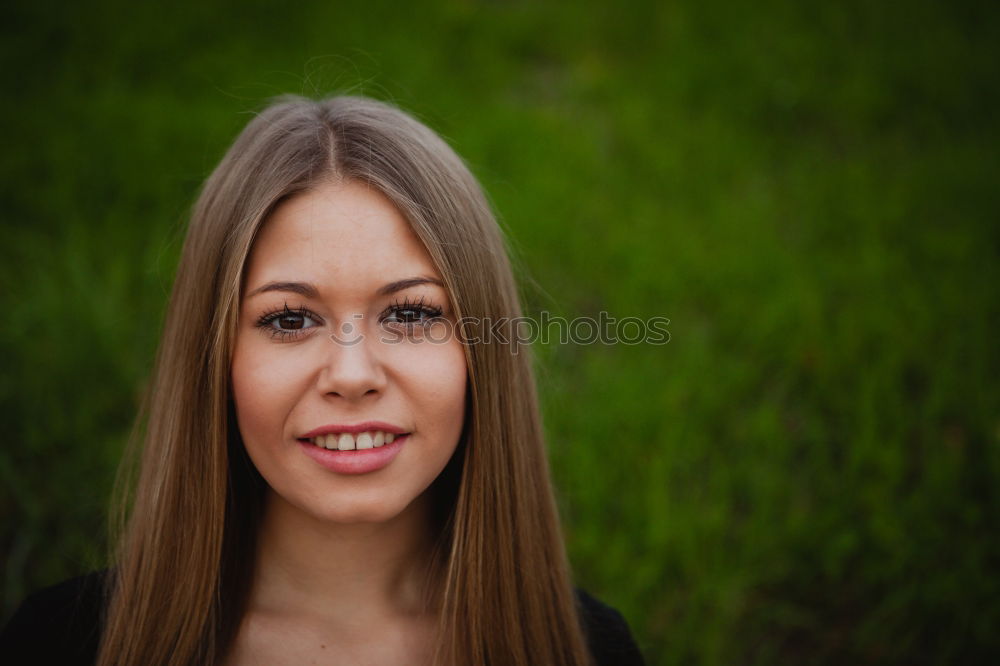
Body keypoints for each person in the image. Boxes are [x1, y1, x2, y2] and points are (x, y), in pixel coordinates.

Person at [0, 95, 643, 665]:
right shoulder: (60, 643)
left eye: (411, 313)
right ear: (215, 359)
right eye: (289, 319)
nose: (353, 374)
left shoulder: (590, 649)